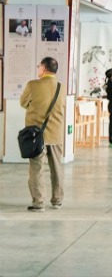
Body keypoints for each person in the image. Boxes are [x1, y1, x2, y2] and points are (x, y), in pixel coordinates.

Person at [20, 57, 67, 212]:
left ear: (44, 68)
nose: (38, 69)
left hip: (36, 135)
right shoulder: (62, 87)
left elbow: (23, 103)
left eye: (39, 66)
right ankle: (57, 200)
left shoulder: (33, 85)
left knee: (36, 169)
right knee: (57, 168)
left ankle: (39, 202)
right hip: (56, 134)